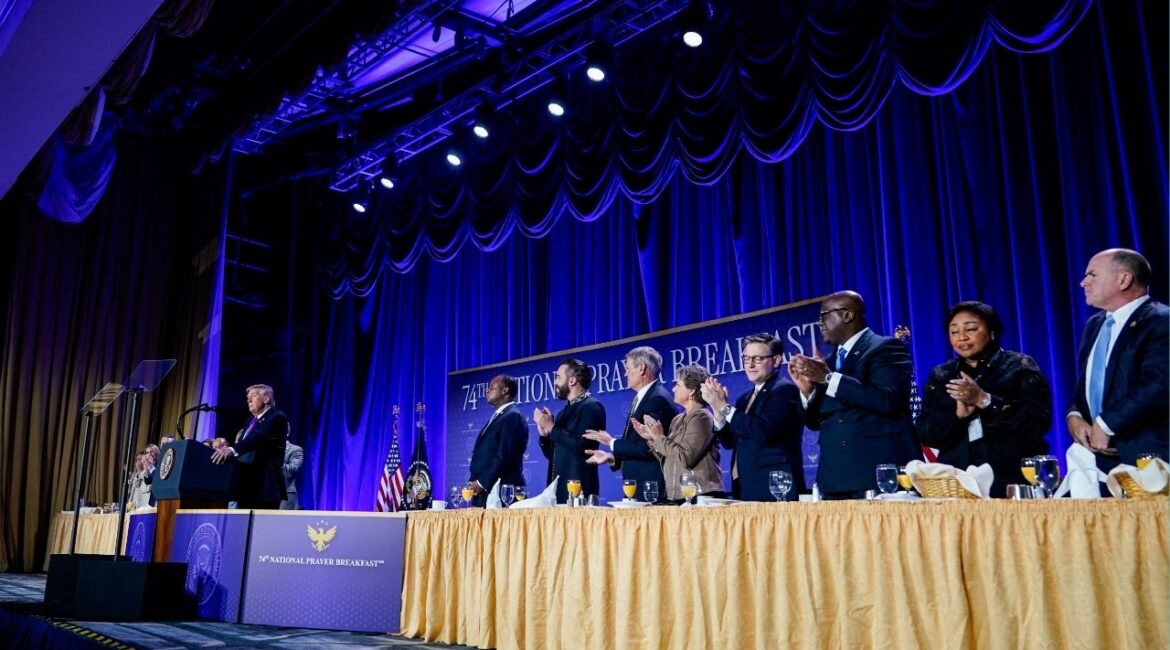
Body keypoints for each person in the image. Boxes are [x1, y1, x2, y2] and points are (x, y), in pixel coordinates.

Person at [788, 291, 919, 499]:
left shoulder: (885, 348)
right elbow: (814, 422)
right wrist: (807, 391)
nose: (819, 323)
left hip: (876, 475)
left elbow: (887, 400)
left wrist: (829, 379)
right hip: (833, 479)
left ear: (848, 315)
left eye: (824, 315)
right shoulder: (828, 363)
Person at [914, 302, 1051, 497]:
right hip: (956, 479)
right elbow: (926, 433)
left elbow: (1037, 423)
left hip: (1010, 476)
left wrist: (984, 400)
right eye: (954, 332)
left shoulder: (1019, 366)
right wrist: (958, 416)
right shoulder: (942, 374)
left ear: (992, 332)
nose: (962, 337)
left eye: (971, 329)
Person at [1068, 248, 1168, 470]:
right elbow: (1087, 383)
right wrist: (1074, 416)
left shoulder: (1161, 322)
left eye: (1092, 275)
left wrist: (1106, 424)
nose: (1083, 283)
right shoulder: (1094, 325)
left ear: (1124, 279)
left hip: (1148, 455)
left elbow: (1160, 383)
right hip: (1096, 457)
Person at [700, 332, 804, 501]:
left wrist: (724, 407)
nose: (750, 365)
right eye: (746, 359)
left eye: (757, 359)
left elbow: (764, 432)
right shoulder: (744, 398)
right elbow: (729, 442)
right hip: (745, 485)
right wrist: (717, 410)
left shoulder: (785, 391)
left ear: (776, 360)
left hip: (773, 487)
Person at [583, 347, 677, 502]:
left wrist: (610, 442)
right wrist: (612, 457)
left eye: (628, 368)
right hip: (638, 489)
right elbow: (637, 446)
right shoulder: (645, 397)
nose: (625, 374)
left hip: (651, 489)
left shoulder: (657, 400)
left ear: (641, 368)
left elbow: (648, 447)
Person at [633, 364, 723, 502]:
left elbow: (685, 458)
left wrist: (659, 438)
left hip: (700, 495)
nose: (674, 388)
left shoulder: (701, 417)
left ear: (691, 390)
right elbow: (669, 457)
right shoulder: (677, 419)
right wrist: (652, 439)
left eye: (678, 385)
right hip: (678, 495)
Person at [535, 358, 606, 503]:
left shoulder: (592, 407)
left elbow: (583, 448)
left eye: (558, 377)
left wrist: (552, 427)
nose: (555, 382)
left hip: (579, 493)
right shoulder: (563, 412)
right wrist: (545, 436)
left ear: (572, 381)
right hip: (557, 493)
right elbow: (554, 455)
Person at [211, 384, 288, 509]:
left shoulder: (277, 417)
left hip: (264, 486)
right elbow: (245, 447)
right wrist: (223, 447)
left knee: (260, 528)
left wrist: (231, 450)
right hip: (245, 484)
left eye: (253, 395)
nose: (249, 400)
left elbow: (257, 438)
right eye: (247, 398)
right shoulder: (250, 421)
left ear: (266, 399)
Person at [464, 375, 528, 507]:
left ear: (505, 390)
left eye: (491, 387)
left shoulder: (513, 416)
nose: (487, 391)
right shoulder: (500, 416)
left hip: (503, 494)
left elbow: (504, 457)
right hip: (485, 492)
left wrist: (481, 483)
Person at [280, 438, 304, 510]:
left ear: (286, 433)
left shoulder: (295, 449)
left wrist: (276, 459)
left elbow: (291, 471)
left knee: (281, 521)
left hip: (285, 496)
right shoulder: (263, 449)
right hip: (261, 496)